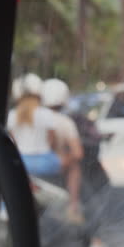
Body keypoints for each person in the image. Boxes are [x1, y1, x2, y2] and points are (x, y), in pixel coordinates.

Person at [41, 78, 84, 224]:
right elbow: (78, 153)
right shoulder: (65, 122)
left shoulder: (28, 117)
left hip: (25, 166)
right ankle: (73, 205)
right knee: (75, 168)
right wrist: (63, 159)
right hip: (54, 169)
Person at [7, 73, 61, 183]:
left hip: (20, 162)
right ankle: (73, 200)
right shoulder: (47, 114)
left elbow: (12, 141)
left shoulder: (12, 115)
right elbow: (52, 141)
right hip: (45, 164)